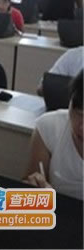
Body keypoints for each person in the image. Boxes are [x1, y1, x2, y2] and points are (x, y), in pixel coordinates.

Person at [24, 70, 82, 200]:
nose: (82, 127)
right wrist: (35, 188)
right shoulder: (50, 126)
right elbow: (28, 188)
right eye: (79, 114)